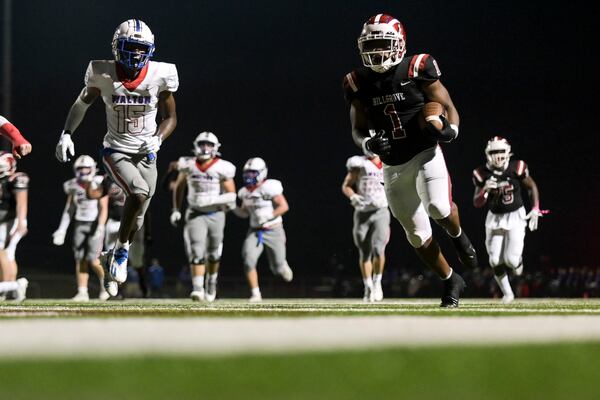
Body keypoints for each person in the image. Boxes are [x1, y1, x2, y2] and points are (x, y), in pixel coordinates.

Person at [343, 14, 477, 307]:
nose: (377, 50)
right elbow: (358, 126)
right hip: (393, 164)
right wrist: (368, 142)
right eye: (371, 44)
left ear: (399, 44)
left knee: (438, 206)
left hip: (425, 152)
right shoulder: (357, 81)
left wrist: (450, 129)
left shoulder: (418, 67)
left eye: (383, 43)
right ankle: (451, 279)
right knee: (417, 235)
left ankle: (458, 236)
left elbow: (447, 104)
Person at [55, 19, 178, 297]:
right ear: (116, 47)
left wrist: (158, 139)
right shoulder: (102, 73)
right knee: (138, 191)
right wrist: (66, 133)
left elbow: (170, 117)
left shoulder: (161, 74)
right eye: (130, 47)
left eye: (140, 48)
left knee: (137, 219)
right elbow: (81, 103)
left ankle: (111, 256)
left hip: (147, 153)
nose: (135, 54)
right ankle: (122, 251)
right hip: (116, 149)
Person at [472, 136, 542, 303]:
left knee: (511, 261)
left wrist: (535, 208)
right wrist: (485, 190)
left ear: (508, 152)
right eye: (494, 151)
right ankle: (507, 293)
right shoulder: (481, 173)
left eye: (500, 151)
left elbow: (531, 186)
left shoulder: (516, 167)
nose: (497, 155)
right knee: (494, 259)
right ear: (487, 154)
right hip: (494, 217)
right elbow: (477, 202)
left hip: (515, 215)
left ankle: (518, 263)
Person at [170, 132, 236, 302]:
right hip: (195, 212)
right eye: (202, 144)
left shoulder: (222, 167)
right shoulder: (188, 165)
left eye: (209, 144)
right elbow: (179, 187)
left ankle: (211, 282)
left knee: (214, 254)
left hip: (215, 213)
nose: (205, 148)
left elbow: (232, 195)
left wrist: (214, 200)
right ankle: (198, 288)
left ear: (215, 147)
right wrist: (176, 209)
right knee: (196, 250)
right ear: (195, 146)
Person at [233, 158, 293, 302]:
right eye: (247, 173)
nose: (249, 176)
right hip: (254, 231)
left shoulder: (270, 187)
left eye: (253, 173)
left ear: (262, 173)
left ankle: (281, 265)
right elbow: (244, 213)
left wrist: (269, 216)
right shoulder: (244, 192)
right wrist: (232, 208)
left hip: (273, 230)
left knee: (278, 269)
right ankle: (255, 293)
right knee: (248, 259)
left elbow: (284, 206)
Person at [52, 155, 110, 301]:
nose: (83, 171)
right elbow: (69, 208)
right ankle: (82, 291)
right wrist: (62, 229)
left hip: (95, 223)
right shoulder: (72, 184)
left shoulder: (99, 182)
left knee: (94, 259)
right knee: (80, 258)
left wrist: (101, 227)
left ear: (92, 169)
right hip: (80, 222)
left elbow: (104, 208)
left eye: (86, 168)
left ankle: (106, 285)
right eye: (81, 168)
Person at [86, 173, 149, 297]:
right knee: (113, 259)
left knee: (137, 261)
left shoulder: (136, 175)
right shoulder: (108, 179)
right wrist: (88, 181)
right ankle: (119, 291)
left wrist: (148, 231)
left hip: (133, 223)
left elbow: (145, 207)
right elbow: (94, 194)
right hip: (114, 222)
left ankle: (144, 287)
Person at [342, 150, 390, 301]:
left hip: (381, 210)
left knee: (379, 248)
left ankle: (377, 282)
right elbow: (346, 185)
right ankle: (368, 285)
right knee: (364, 251)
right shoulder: (359, 163)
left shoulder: (388, 161)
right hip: (362, 212)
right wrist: (353, 196)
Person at [0, 152, 29, 302]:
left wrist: (21, 222)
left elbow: (21, 203)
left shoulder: (17, 179)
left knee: (3, 253)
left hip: (13, 221)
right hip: (5, 222)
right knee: (8, 254)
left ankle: (7, 288)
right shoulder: (4, 181)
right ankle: (12, 289)